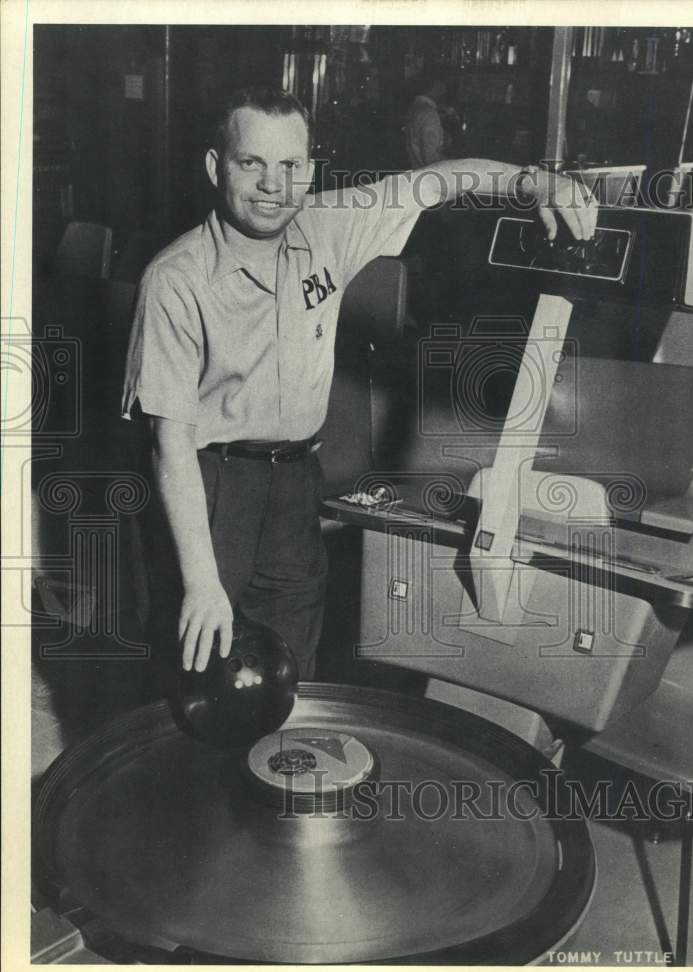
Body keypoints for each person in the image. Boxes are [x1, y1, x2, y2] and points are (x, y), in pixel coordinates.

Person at [122, 85, 597, 679]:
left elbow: (444, 180)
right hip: (208, 489)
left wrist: (540, 184)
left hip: (296, 480)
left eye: (291, 165)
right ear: (217, 167)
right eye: (252, 163)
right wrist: (200, 580)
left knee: (292, 668)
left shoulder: (331, 224)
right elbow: (169, 443)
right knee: (195, 672)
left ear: (310, 169)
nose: (274, 184)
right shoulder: (174, 279)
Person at [404, 76, 448, 168]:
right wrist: (455, 163)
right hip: (430, 176)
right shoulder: (429, 114)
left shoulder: (414, 108)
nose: (445, 90)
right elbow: (430, 158)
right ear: (436, 86)